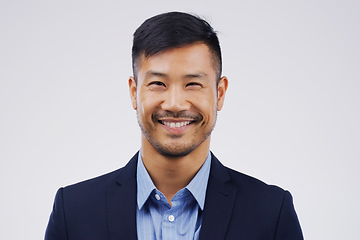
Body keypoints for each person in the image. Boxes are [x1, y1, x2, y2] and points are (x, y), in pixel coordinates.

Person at [45, 12, 303, 240]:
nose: (175, 104)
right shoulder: (74, 212)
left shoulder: (271, 214)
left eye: (193, 84)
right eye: (158, 83)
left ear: (220, 93)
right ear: (134, 93)